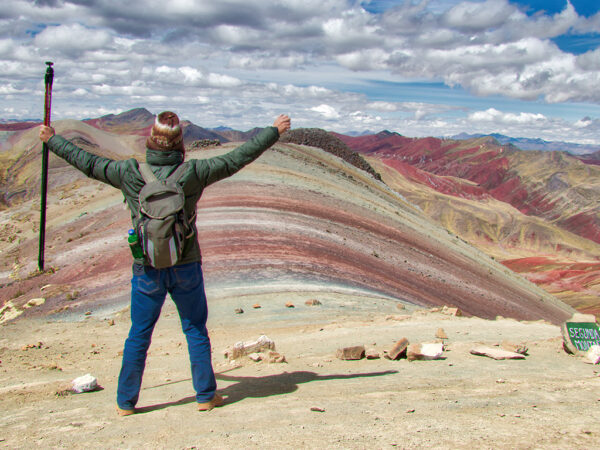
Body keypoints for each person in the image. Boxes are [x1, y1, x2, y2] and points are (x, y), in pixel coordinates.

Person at [39, 111, 291, 415]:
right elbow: (237, 158)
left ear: (150, 142)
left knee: (139, 333)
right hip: (186, 265)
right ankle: (205, 396)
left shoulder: (128, 172)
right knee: (195, 329)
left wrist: (53, 141)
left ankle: (125, 402)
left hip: (146, 269)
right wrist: (273, 132)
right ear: (179, 145)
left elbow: (89, 163)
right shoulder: (194, 173)